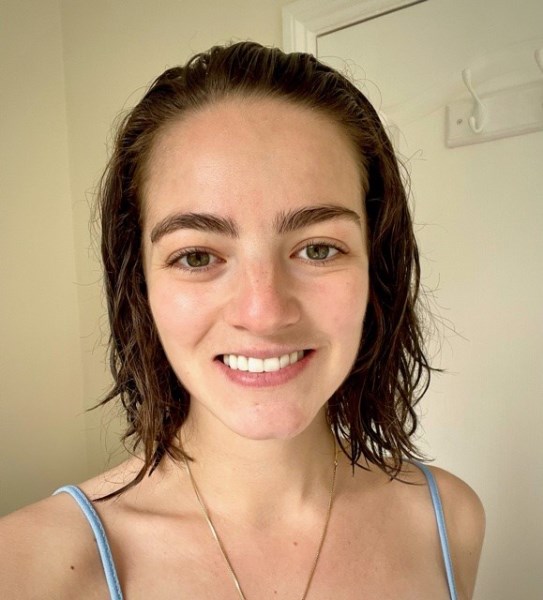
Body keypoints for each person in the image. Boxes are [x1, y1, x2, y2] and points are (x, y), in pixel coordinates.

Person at [0, 41, 484, 599]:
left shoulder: (450, 521)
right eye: (198, 256)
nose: (264, 312)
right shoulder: (28, 568)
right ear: (142, 287)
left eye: (319, 249)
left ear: (378, 266)